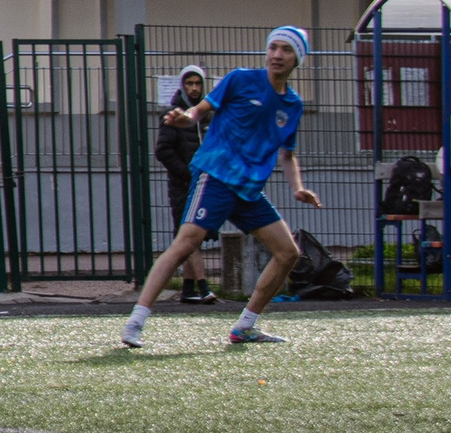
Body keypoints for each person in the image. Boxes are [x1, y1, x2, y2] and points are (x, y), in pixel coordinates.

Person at [121, 26, 321, 350]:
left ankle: (245, 326)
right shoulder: (240, 79)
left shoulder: (292, 104)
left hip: (249, 191)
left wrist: (298, 187)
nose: (277, 55)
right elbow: (198, 112)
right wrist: (185, 118)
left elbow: (287, 155)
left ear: (298, 58)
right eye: (274, 47)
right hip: (216, 176)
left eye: (286, 49)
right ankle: (135, 321)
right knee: (186, 244)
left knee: (287, 253)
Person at [152, 65, 221, 304]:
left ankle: (188, 289)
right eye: (189, 83)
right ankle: (203, 287)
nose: (194, 88)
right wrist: (186, 174)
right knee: (189, 233)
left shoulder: (207, 115)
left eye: (197, 83)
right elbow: (163, 151)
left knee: (197, 234)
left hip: (205, 183)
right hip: (183, 185)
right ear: (183, 85)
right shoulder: (172, 115)